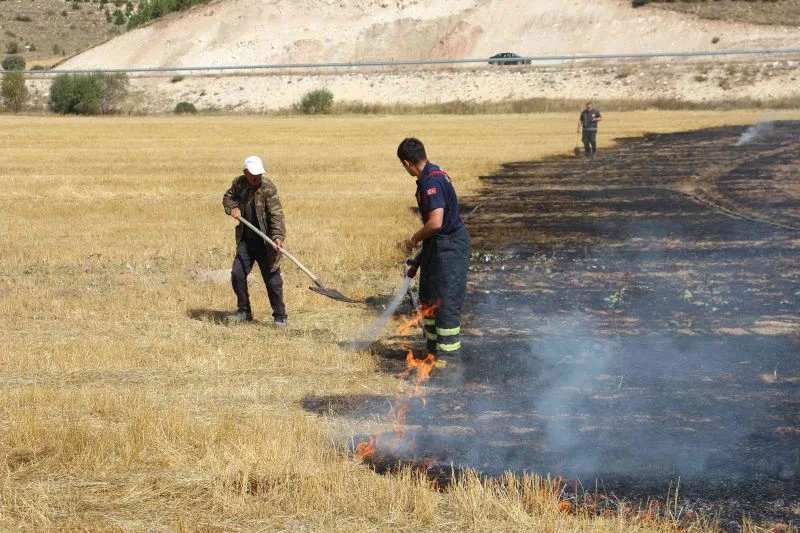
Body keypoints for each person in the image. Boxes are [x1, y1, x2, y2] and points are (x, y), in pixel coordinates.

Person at [398, 138, 470, 358]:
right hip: (437, 246)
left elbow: (435, 223)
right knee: (428, 297)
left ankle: (448, 360)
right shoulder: (432, 174)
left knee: (445, 303)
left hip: (450, 248)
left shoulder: (431, 183)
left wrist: (412, 241)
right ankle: (431, 351)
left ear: (407, 163)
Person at [222, 155, 288, 327]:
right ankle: (244, 311)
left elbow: (276, 215)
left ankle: (280, 316)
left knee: (272, 279)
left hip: (266, 242)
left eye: (258, 174)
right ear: (245, 173)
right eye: (252, 175)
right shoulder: (239, 183)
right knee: (237, 274)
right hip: (246, 240)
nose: (256, 178)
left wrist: (278, 237)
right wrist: (233, 208)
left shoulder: (268, 188)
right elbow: (227, 198)